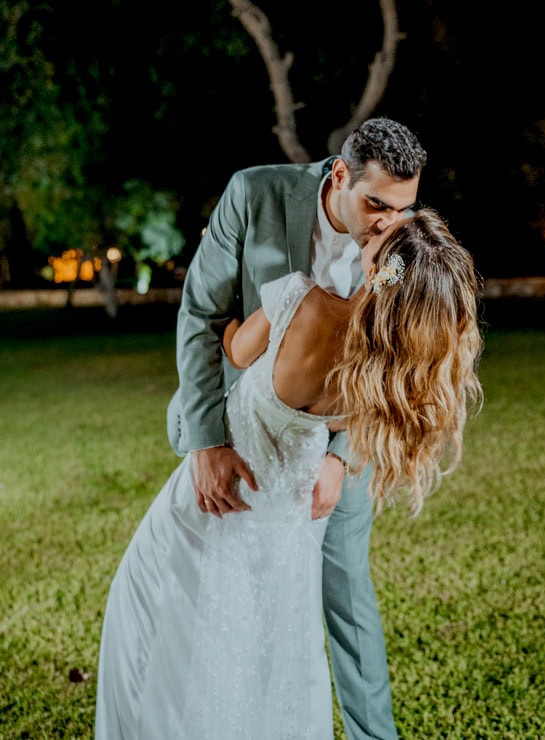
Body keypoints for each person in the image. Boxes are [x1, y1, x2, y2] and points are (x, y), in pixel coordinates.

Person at [94, 207, 484, 740]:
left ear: (376, 269)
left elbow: (232, 347)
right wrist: (337, 458)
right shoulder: (392, 378)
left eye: (378, 235)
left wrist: (228, 295)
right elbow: (353, 438)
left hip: (212, 503)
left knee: (148, 622)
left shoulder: (299, 298)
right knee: (271, 662)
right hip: (291, 526)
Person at [165, 117, 427, 740]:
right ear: (340, 176)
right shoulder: (253, 194)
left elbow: (391, 365)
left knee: (349, 601)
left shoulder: (398, 248)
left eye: (405, 208)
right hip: (250, 439)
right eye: (377, 204)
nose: (391, 222)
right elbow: (204, 316)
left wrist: (340, 456)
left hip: (342, 443)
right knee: (236, 605)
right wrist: (207, 441)